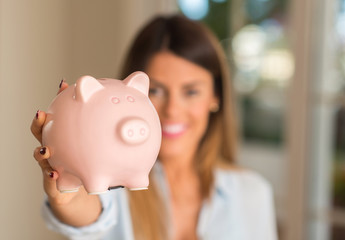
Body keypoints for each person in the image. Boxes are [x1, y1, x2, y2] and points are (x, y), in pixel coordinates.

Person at [31, 15, 277, 240]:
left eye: (191, 91)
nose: (172, 110)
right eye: (156, 91)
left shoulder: (252, 193)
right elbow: (89, 213)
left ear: (215, 97)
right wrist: (67, 195)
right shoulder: (114, 184)